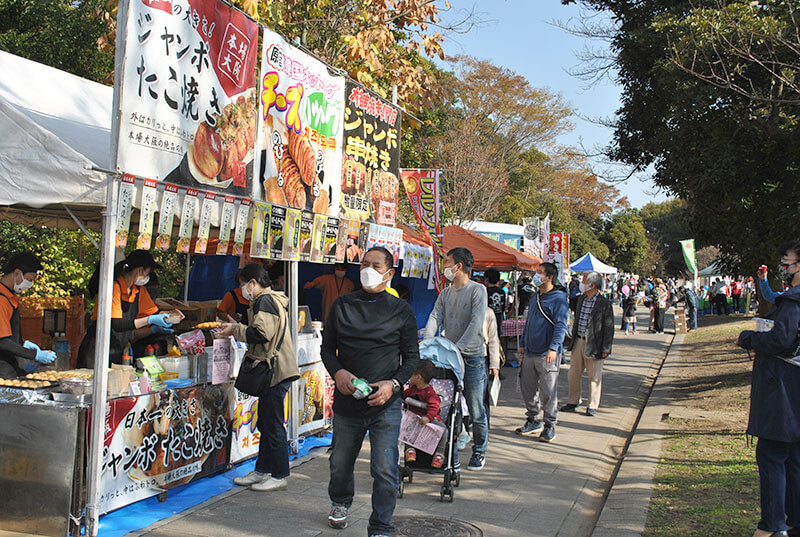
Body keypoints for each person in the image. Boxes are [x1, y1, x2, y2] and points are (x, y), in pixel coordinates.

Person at [322, 247, 419, 536]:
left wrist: (393, 385)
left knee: (385, 469)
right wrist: (338, 372)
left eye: (375, 265)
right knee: (340, 462)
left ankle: (380, 524)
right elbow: (327, 349)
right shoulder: (342, 305)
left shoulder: (401, 310)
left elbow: (412, 357)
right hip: (347, 402)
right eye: (364, 263)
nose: (367, 269)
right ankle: (340, 501)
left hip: (385, 404)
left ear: (389, 274)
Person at [736, 239, 800, 537]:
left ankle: (772, 526)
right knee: (793, 459)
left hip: (783, 396)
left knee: (772, 456)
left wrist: (750, 337)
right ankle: (792, 520)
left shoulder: (793, 302)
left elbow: (781, 340)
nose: (782, 268)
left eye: (786, 263)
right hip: (792, 396)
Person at [217, 264, 299, 491]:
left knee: (272, 424)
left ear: (253, 282)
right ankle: (262, 470)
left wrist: (234, 330)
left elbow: (261, 334)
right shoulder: (267, 300)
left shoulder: (265, 301)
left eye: (243, 285)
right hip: (275, 369)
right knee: (265, 421)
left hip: (276, 371)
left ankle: (280, 473)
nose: (242, 290)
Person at [424, 247, 489, 471]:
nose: (445, 267)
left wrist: (457, 349)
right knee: (449, 407)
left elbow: (476, 322)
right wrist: (427, 343)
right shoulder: (446, 293)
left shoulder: (477, 290)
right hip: (449, 360)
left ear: (458, 266)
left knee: (475, 407)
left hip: (471, 359)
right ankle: (448, 452)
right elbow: (435, 316)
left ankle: (480, 451)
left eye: (448, 262)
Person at [78, 250, 174, 367]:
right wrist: (150, 320)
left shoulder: (138, 291)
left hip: (116, 351)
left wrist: (168, 318)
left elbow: (153, 313)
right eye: (148, 272)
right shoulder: (113, 288)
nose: (149, 277)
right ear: (139, 270)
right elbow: (117, 324)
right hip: (96, 351)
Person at [515, 262, 568, 442]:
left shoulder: (559, 298)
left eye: (540, 273)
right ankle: (532, 419)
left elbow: (561, 325)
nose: (536, 275)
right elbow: (529, 321)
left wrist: (554, 347)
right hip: (530, 350)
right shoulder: (535, 296)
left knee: (548, 391)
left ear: (549, 277)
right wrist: (523, 343)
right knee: (527, 388)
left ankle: (549, 424)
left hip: (547, 353)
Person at [561, 272, 614, 416]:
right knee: (573, 374)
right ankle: (573, 401)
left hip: (594, 343)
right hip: (578, 340)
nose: (581, 283)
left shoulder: (604, 304)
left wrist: (606, 348)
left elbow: (608, 328)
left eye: (584, 280)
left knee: (594, 376)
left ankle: (592, 405)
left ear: (592, 284)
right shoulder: (581, 299)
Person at [0, 252, 55, 378]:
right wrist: (33, 354)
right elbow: (2, 342)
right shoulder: (1, 300)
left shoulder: (11, 297)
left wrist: (23, 343)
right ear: (17, 273)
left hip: (10, 367)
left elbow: (9, 335)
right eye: (29, 279)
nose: (30, 284)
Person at [402, 359, 447, 469]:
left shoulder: (430, 393)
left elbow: (434, 407)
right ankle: (409, 449)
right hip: (414, 419)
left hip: (430, 420)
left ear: (418, 377)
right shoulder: (412, 389)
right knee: (404, 427)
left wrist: (428, 417)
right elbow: (404, 395)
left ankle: (439, 453)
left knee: (444, 430)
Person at [484, 268, 506, 338]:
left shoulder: (484, 291)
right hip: (498, 320)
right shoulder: (502, 292)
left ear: (487, 279)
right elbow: (503, 308)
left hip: (486, 322)